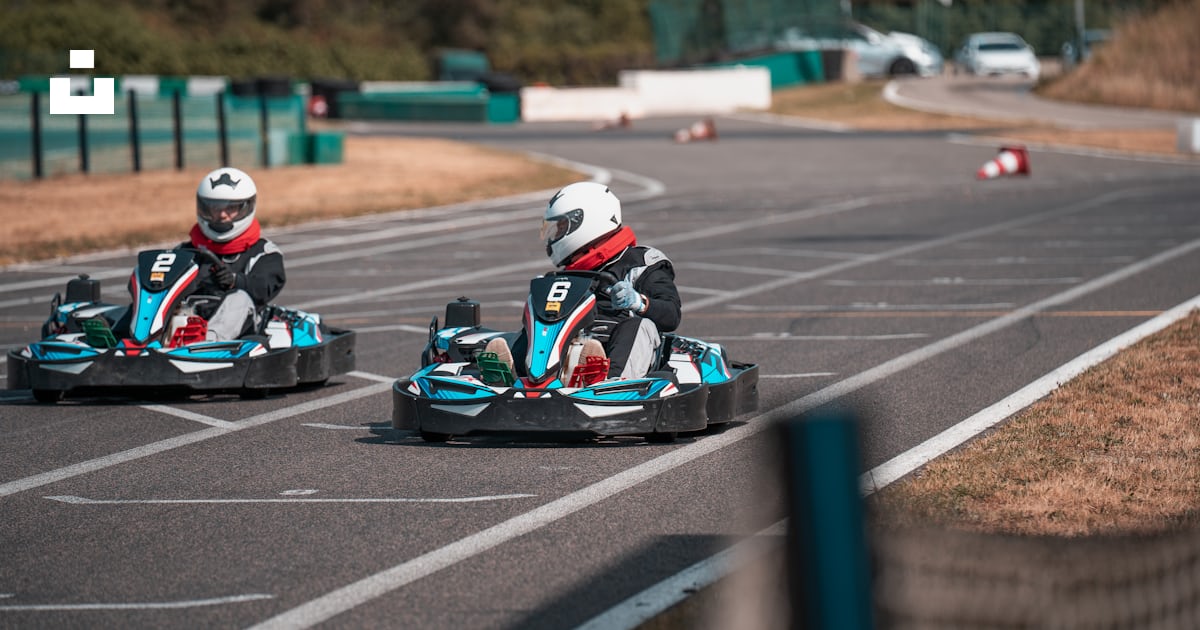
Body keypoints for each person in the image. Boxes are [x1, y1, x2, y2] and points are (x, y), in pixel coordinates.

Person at [486, 181, 681, 381]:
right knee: (538, 327)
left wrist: (639, 302)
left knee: (640, 326)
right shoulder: (566, 275)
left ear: (588, 221)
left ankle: (608, 383)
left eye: (562, 227)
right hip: (571, 339)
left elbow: (671, 315)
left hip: (617, 342)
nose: (556, 235)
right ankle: (509, 377)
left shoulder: (643, 262)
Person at [180, 166, 286, 341]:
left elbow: (264, 289)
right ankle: (133, 341)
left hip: (239, 332)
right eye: (214, 208)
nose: (222, 215)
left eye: (230, 209)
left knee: (239, 297)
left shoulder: (264, 252)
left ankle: (207, 345)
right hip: (188, 320)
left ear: (245, 208)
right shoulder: (186, 251)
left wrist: (236, 281)